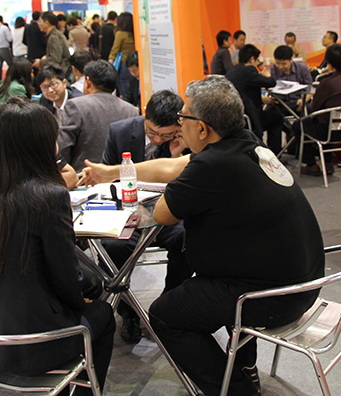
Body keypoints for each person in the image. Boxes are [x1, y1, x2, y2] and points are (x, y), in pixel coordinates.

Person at [145, 76, 324, 396]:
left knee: (164, 315)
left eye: (183, 118)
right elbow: (181, 168)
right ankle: (244, 367)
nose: (179, 124)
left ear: (202, 129)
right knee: (220, 277)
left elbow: (161, 214)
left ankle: (237, 391)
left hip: (273, 298)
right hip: (304, 282)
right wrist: (111, 172)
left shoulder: (211, 165)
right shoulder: (249, 143)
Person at [0, 98, 114, 393]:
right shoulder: (48, 196)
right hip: (32, 345)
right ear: (40, 144)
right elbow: (67, 278)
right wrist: (87, 297)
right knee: (103, 315)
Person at [100, 90, 191, 343]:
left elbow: (190, 187)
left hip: (168, 212)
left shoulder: (186, 140)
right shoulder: (119, 131)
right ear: (144, 116)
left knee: (187, 238)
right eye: (152, 132)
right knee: (113, 247)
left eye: (166, 135)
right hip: (129, 212)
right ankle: (128, 312)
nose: (158, 139)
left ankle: (169, 305)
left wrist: (177, 156)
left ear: (179, 125)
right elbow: (108, 180)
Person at [298, 43, 341, 176]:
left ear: (329, 64)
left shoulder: (327, 83)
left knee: (300, 124)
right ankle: (327, 162)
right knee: (327, 119)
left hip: (327, 132)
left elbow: (315, 107)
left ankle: (311, 165)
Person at [58, 60, 138, 171]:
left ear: (88, 81)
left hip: (84, 176)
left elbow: (63, 147)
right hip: (121, 176)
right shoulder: (131, 110)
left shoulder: (75, 106)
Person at [226, 44, 285, 155]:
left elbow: (244, 89)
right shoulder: (249, 70)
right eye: (257, 60)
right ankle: (275, 153)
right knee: (276, 117)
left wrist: (262, 98)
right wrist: (267, 75)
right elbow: (271, 82)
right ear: (252, 59)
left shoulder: (233, 71)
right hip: (250, 119)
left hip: (236, 117)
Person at [109, 12, 136, 100]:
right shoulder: (134, 33)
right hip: (135, 64)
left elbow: (115, 49)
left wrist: (110, 62)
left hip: (124, 65)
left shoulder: (120, 34)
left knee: (124, 91)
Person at [40, 11, 71, 78]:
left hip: (61, 72)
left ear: (47, 22)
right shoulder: (54, 34)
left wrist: (41, 62)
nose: (39, 24)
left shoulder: (54, 37)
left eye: (40, 21)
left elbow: (55, 59)